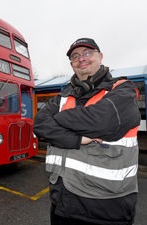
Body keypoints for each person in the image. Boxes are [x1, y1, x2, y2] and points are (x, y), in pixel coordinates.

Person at [33, 38, 141, 225]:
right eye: (75, 56)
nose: (81, 59)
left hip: (106, 208)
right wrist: (75, 139)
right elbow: (40, 124)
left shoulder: (122, 89)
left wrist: (57, 118)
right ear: (72, 64)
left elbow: (101, 121)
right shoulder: (63, 95)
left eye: (87, 53)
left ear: (100, 56)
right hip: (61, 204)